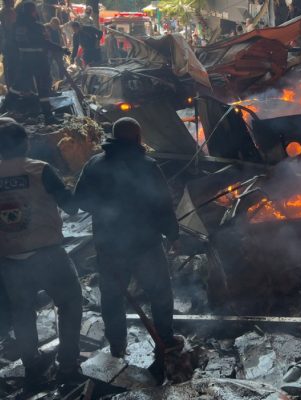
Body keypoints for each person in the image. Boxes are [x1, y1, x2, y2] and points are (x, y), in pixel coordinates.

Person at [74, 118, 181, 358]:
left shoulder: (94, 164)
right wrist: (173, 235)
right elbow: (163, 204)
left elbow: (80, 199)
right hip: (146, 244)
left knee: (112, 297)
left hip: (109, 245)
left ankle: (117, 345)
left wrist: (104, 211)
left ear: (113, 136)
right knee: (160, 293)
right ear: (138, 137)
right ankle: (165, 338)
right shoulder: (148, 166)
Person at [0, 118, 82, 389]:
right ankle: (67, 365)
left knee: (23, 314)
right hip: (48, 255)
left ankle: (32, 366)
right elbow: (71, 207)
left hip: (10, 260)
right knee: (70, 303)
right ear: (25, 142)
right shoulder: (40, 169)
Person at [13, 1, 69, 123]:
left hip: (24, 60)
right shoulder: (37, 26)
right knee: (43, 90)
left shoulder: (17, 26)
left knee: (17, 87)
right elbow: (45, 43)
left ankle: (9, 108)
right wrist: (62, 49)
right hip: (39, 61)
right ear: (33, 11)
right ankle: (48, 117)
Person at [0, 0, 18, 112]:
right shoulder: (9, 12)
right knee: (12, 77)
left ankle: (12, 99)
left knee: (11, 77)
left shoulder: (6, 12)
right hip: (10, 53)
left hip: (10, 53)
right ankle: (13, 100)